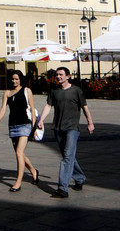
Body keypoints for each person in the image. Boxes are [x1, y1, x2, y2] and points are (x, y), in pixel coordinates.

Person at [36, 66, 94, 198]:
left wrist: (90, 123)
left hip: (72, 129)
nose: (58, 77)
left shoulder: (76, 91)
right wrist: (41, 120)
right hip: (58, 128)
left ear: (68, 76)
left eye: (61, 74)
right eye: (57, 75)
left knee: (67, 157)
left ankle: (62, 188)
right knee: (69, 157)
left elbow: (85, 107)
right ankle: (79, 178)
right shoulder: (54, 91)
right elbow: (48, 106)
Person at [0, 69, 39, 192]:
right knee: (20, 154)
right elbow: (3, 108)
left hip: (25, 125)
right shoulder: (7, 93)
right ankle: (33, 171)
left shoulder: (26, 91)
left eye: (16, 79)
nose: (14, 81)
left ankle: (18, 183)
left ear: (20, 80)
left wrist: (34, 128)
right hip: (13, 125)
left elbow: (33, 110)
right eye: (13, 79)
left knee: (19, 153)